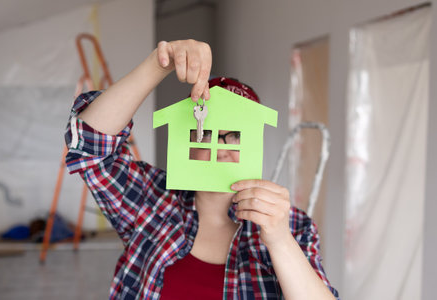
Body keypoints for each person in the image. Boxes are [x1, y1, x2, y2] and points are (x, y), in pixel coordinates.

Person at [65, 39, 339, 299]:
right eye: (205, 133)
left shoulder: (293, 226)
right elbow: (90, 145)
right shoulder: (152, 199)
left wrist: (280, 240)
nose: (221, 146)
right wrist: (159, 64)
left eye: (235, 135)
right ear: (187, 139)